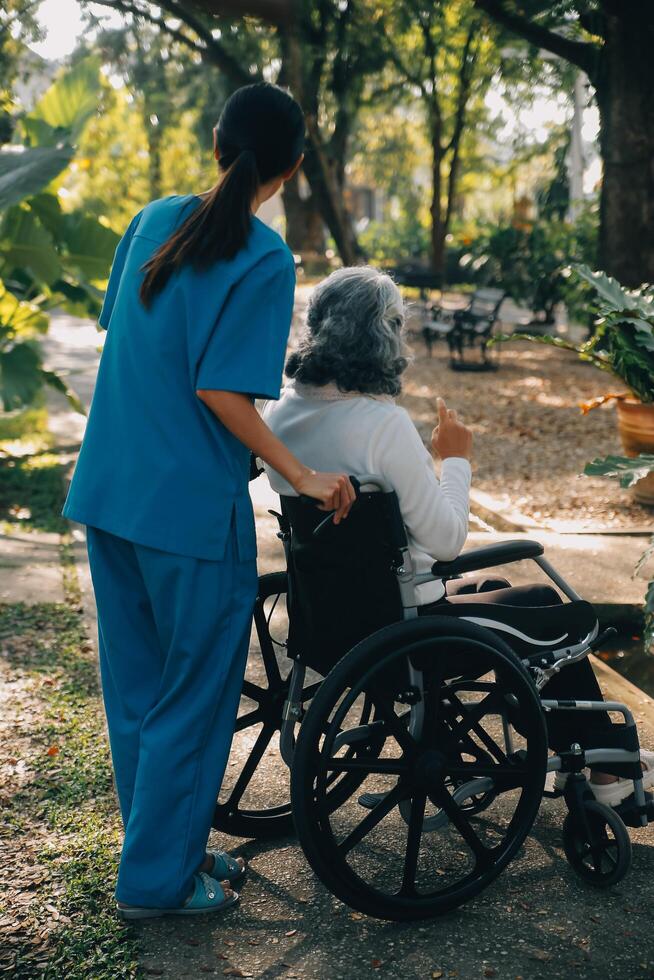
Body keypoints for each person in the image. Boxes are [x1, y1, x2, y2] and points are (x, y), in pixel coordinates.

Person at [63, 83, 356, 920]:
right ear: (292, 167)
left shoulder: (153, 218)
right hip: (190, 517)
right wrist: (302, 475)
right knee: (191, 704)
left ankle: (168, 856)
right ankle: (157, 884)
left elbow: (126, 340)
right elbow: (223, 391)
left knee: (140, 698)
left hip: (112, 494)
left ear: (216, 141)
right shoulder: (265, 258)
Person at [262, 265, 654, 805]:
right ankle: (608, 770)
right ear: (383, 336)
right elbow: (446, 542)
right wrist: (455, 460)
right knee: (546, 603)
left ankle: (567, 757)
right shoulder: (382, 425)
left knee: (489, 582)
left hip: (329, 621)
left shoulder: (280, 415)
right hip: (404, 630)